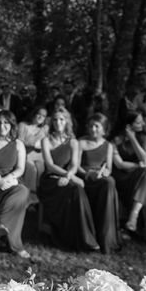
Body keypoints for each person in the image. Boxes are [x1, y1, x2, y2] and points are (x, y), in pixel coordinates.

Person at [38, 107, 99, 251]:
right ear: (51, 122)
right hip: (49, 180)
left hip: (68, 178)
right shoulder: (45, 140)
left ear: (67, 122)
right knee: (75, 188)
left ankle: (85, 237)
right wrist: (67, 176)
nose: (58, 122)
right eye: (55, 119)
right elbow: (50, 165)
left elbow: (74, 165)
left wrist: (69, 177)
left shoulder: (73, 142)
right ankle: (70, 237)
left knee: (75, 190)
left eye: (61, 119)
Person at [0, 110, 31, 258]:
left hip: (12, 182)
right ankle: (15, 245)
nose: (2, 126)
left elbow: (20, 168)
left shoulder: (18, 144)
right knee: (15, 202)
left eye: (6, 122)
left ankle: (1, 226)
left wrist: (8, 179)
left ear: (11, 125)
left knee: (22, 192)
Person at [111, 110, 146, 246]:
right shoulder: (116, 140)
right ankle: (145, 231)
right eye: (139, 122)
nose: (143, 123)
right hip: (123, 177)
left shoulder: (145, 138)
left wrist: (133, 138)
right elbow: (119, 164)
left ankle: (133, 217)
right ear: (128, 125)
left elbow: (145, 158)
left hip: (141, 177)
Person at [77, 113, 122, 253]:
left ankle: (106, 238)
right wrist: (89, 174)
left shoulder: (108, 146)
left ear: (104, 129)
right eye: (90, 126)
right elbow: (76, 166)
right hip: (84, 178)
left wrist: (103, 173)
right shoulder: (81, 142)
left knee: (109, 182)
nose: (93, 129)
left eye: (97, 126)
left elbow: (109, 168)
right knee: (108, 183)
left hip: (101, 179)